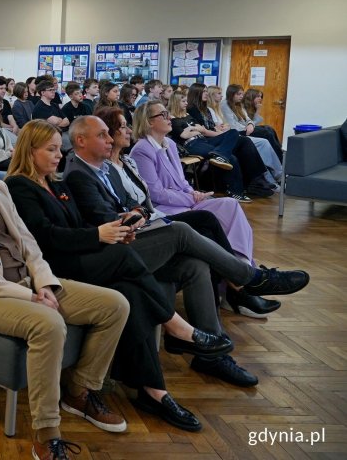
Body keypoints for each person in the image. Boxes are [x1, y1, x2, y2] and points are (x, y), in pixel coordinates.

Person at [0, 126, 130, 458]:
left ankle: (78, 392)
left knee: (115, 305)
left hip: (28, 284)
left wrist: (44, 284)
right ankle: (47, 430)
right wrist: (29, 297)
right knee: (48, 324)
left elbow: (29, 244)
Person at [63, 115, 309, 387]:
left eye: (110, 133)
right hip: (117, 249)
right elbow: (107, 219)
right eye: (103, 135)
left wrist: (138, 213)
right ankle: (247, 279)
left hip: (135, 233)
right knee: (184, 231)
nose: (110, 139)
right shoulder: (78, 173)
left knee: (195, 264)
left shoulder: (103, 169)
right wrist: (135, 215)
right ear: (81, 140)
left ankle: (212, 356)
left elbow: (135, 203)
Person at [6, 120, 222, 432]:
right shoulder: (19, 186)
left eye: (58, 148)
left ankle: (153, 391)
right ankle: (175, 325)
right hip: (52, 268)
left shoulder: (58, 184)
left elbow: (77, 227)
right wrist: (99, 236)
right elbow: (45, 237)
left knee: (130, 292)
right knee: (122, 256)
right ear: (30, 151)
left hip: (76, 258)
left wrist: (116, 231)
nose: (58, 155)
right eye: (50, 149)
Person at [129, 102, 280, 318]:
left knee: (230, 205)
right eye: (162, 114)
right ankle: (240, 288)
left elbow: (181, 181)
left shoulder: (170, 145)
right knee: (211, 218)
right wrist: (190, 196)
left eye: (167, 112)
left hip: (187, 201)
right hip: (166, 209)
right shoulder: (142, 150)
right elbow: (155, 193)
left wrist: (193, 192)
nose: (169, 116)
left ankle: (243, 268)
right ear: (149, 121)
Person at [186, 84, 272, 199]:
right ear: (196, 93)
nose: (206, 93)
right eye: (204, 91)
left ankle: (257, 180)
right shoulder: (192, 110)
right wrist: (221, 133)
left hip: (214, 137)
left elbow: (213, 126)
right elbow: (203, 132)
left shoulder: (207, 109)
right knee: (238, 141)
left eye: (207, 91)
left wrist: (221, 128)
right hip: (205, 140)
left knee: (245, 141)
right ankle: (253, 182)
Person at [168, 90, 254, 202]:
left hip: (203, 141)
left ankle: (220, 154)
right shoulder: (172, 119)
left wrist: (196, 130)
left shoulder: (188, 115)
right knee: (232, 158)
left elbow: (202, 129)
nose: (186, 103)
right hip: (191, 145)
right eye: (183, 101)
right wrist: (195, 129)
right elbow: (184, 135)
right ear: (176, 102)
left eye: (186, 101)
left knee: (233, 133)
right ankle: (236, 192)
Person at [221, 84, 283, 163]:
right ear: (231, 94)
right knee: (266, 133)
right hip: (239, 130)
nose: (241, 96)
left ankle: (278, 154)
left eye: (242, 94)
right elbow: (233, 124)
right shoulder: (225, 104)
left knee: (269, 128)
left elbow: (248, 119)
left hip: (246, 128)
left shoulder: (239, 104)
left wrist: (250, 124)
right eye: (239, 94)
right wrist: (248, 126)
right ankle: (278, 157)